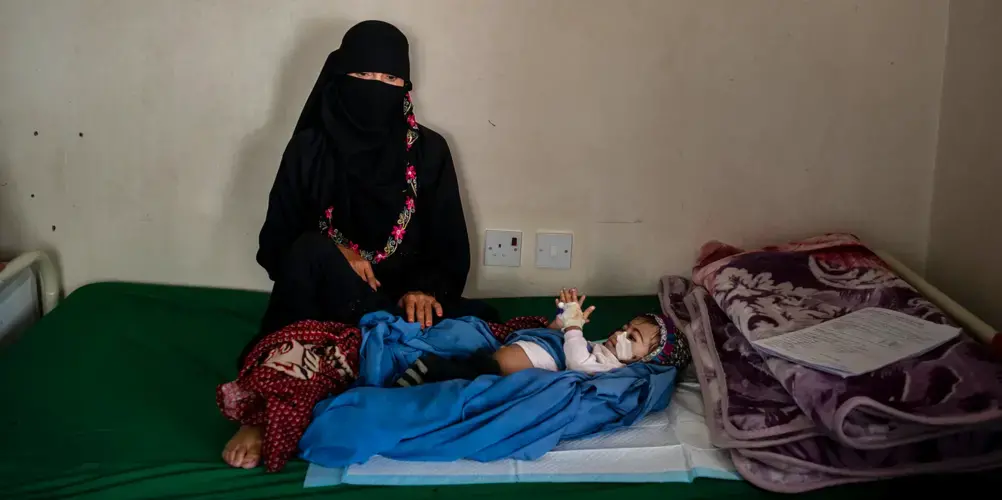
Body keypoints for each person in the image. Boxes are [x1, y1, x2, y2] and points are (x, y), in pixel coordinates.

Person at [222, 20, 496, 471]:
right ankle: (264, 408)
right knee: (310, 250)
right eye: (366, 77)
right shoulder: (309, 150)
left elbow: (451, 249)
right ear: (341, 77)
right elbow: (274, 247)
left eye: (391, 80)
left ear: (406, 87)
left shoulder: (429, 152)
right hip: (325, 301)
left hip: (400, 309)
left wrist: (425, 290)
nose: (378, 89)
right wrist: (336, 253)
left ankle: (363, 375)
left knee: (468, 355)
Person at [394, 288, 692, 386]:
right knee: (470, 354)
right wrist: (564, 320)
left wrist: (575, 328)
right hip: (525, 348)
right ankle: (428, 366)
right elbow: (557, 341)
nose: (620, 333)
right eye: (626, 326)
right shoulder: (606, 350)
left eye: (632, 337)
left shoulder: (613, 370)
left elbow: (577, 361)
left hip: (515, 365)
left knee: (472, 372)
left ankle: (430, 374)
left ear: (644, 360)